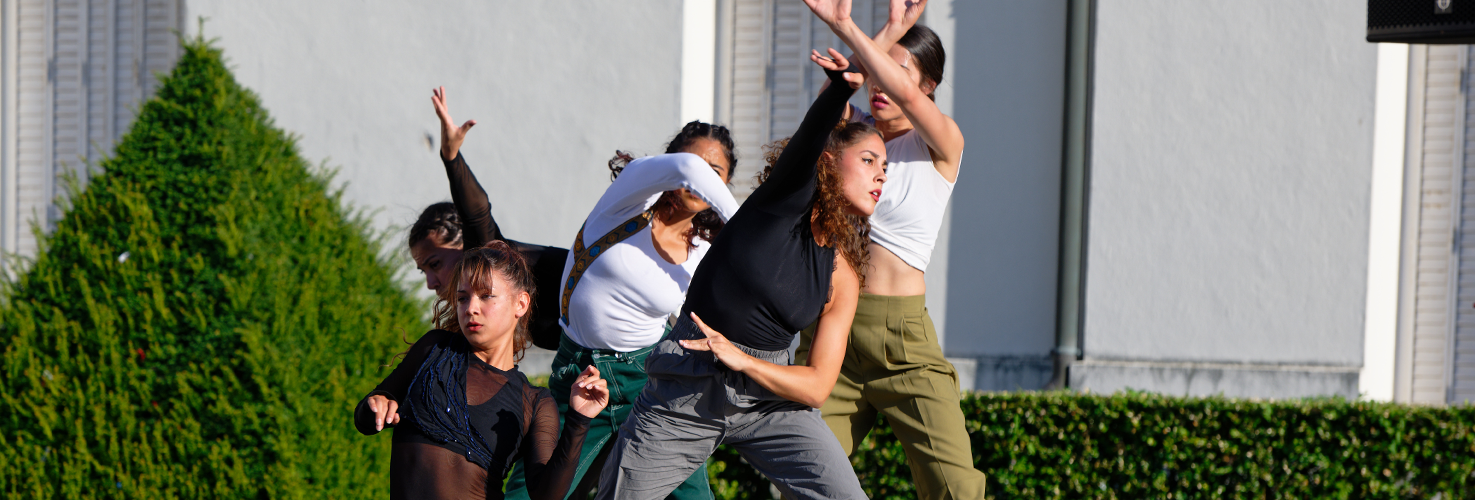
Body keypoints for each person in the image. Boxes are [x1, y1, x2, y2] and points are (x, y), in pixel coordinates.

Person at [595, 50, 888, 499]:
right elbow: (811, 137)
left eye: (885, 167)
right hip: (688, 385)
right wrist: (843, 88)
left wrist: (743, 359)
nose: (881, 175)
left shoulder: (843, 275)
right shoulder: (778, 207)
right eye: (869, 160)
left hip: (769, 396)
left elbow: (816, 386)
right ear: (828, 163)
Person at [429, 89, 741, 499]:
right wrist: (742, 226)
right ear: (662, 166)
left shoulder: (705, 252)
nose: (699, 176)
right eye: (694, 165)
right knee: (531, 494)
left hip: (651, 381)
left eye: (715, 172)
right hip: (581, 375)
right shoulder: (629, 199)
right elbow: (687, 167)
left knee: (692, 497)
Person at [796, 1, 986, 498]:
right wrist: (888, 31)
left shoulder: (942, 143)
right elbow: (829, 108)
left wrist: (848, 28)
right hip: (832, 323)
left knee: (954, 487)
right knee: (805, 477)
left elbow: (894, 85)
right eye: (877, 73)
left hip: (901, 337)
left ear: (927, 88)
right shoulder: (859, 137)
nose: (880, 85)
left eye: (899, 73)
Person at [355, 242, 611, 500]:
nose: (471, 308)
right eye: (463, 297)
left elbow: (546, 495)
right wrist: (374, 404)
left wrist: (579, 420)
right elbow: (366, 417)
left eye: (486, 296)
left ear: (520, 304)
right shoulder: (434, 348)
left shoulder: (534, 402)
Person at [409, 86, 571, 350]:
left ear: (464, 243)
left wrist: (451, 158)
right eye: (424, 271)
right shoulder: (482, 308)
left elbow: (476, 212)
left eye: (435, 264)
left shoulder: (493, 256)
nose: (430, 283)